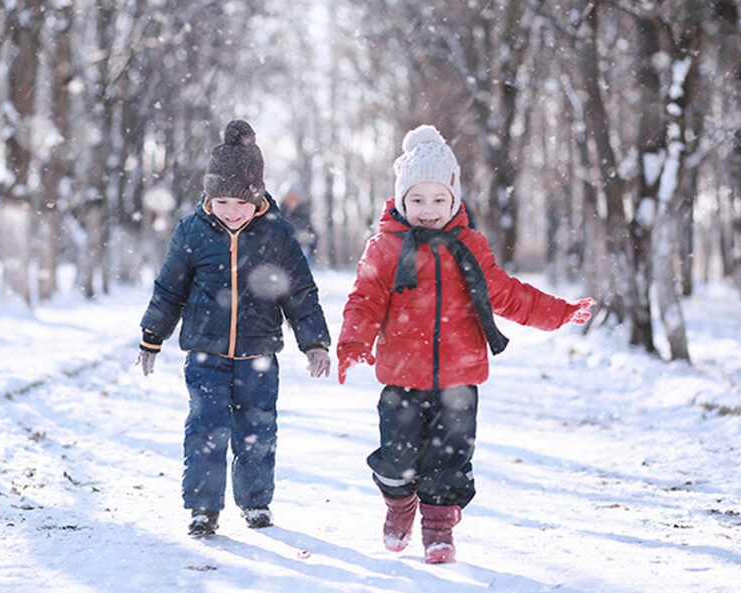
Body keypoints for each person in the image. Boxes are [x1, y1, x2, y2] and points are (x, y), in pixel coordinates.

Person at [336, 125, 592, 564]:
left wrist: (560, 312)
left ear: (454, 198)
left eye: (438, 199)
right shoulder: (384, 248)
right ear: (400, 200)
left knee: (448, 461)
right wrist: (353, 343)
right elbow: (364, 300)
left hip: (459, 378)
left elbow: (507, 294)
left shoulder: (469, 245)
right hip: (401, 376)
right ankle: (399, 505)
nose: (428, 210)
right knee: (396, 458)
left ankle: (438, 530)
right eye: (416, 200)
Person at [137, 120, 331, 537]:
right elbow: (169, 288)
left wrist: (314, 341)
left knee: (257, 429)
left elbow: (300, 292)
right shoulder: (193, 231)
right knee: (206, 427)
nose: (230, 210)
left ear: (257, 197)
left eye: (240, 202)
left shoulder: (277, 234)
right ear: (208, 195)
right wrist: (152, 336)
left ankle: (255, 501)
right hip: (205, 353)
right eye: (221, 200)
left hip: (259, 353)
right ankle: (203, 508)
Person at [279, 182, 318, 262]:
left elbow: (314, 237)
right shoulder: (278, 214)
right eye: (290, 197)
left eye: (295, 197)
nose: (293, 200)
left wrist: (307, 239)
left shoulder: (304, 216)